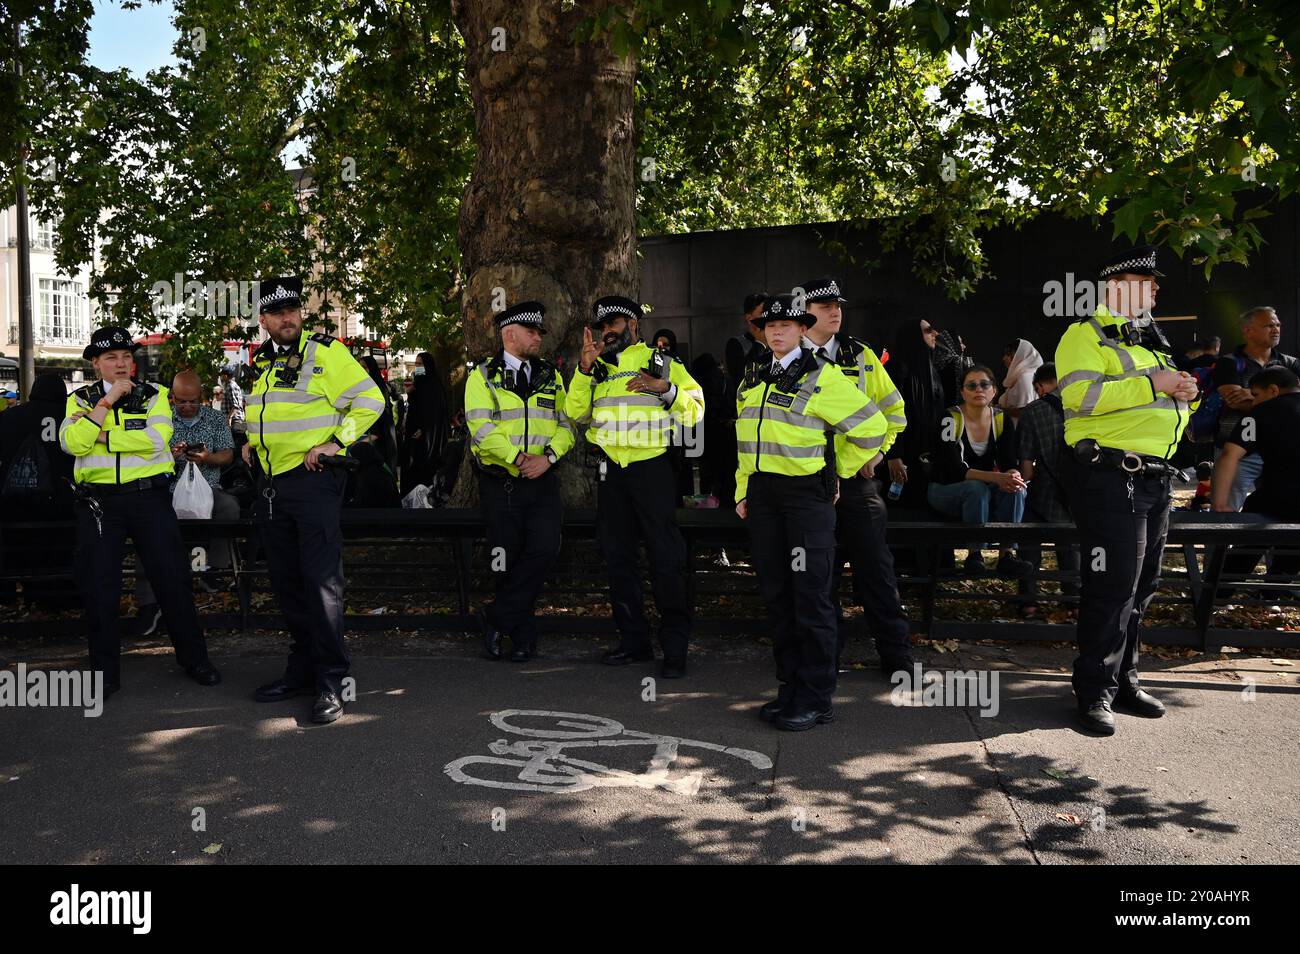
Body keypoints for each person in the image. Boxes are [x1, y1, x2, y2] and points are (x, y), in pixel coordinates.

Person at [1056, 244, 1199, 736]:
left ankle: (1122, 681)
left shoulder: (1148, 339)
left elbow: (1162, 408)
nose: (1156, 288)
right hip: (1113, 476)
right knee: (1113, 586)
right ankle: (1093, 690)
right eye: (1146, 280)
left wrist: (1184, 393)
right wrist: (1154, 384)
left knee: (1142, 587)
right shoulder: (1084, 333)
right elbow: (1080, 397)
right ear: (1117, 287)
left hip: (1156, 477)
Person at [735, 293, 887, 731]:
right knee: (778, 596)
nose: (777, 331)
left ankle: (817, 697)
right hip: (763, 497)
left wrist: (835, 470)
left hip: (805, 498)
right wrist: (744, 490)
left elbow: (872, 428)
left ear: (803, 329)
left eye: (786, 325)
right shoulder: (756, 376)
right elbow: (747, 441)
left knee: (812, 598)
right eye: (769, 325)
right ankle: (791, 688)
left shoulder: (824, 376)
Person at [241, 276, 384, 724]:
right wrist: (253, 445)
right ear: (263, 319)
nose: (287, 318)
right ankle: (302, 670)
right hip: (271, 485)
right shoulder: (261, 361)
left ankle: (331, 681)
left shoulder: (327, 353)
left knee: (323, 585)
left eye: (293, 310)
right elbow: (275, 416)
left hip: (312, 483)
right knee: (288, 585)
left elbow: (370, 401)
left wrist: (335, 445)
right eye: (277, 312)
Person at [57, 326, 221, 696]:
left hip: (148, 499)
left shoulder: (154, 395)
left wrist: (100, 432)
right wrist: (106, 402)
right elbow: (72, 444)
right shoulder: (79, 399)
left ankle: (195, 659)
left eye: (126, 357)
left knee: (173, 581)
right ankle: (105, 674)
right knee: (101, 588)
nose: (121, 364)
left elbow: (155, 441)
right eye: (111, 358)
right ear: (96, 363)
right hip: (99, 503)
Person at [566, 294, 704, 678]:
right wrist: (582, 369)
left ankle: (675, 647)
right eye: (602, 326)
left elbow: (696, 409)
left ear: (634, 325)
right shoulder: (595, 369)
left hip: (652, 471)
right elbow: (575, 413)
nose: (607, 331)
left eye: (615, 323)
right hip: (612, 474)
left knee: (665, 559)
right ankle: (634, 641)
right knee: (617, 558)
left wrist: (665, 389)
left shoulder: (662, 362)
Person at [798, 275, 914, 675]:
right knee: (818, 576)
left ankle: (897, 656)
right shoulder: (784, 360)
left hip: (856, 482)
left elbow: (894, 411)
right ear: (803, 312)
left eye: (838, 305)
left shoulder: (861, 355)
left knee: (877, 572)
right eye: (824, 305)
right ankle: (823, 659)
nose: (835, 311)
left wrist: (880, 453)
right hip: (809, 486)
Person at [466, 301, 576, 661]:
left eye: (539, 332)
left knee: (545, 550)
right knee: (505, 560)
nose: (538, 338)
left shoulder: (551, 375)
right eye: (532, 332)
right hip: (502, 484)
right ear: (509, 334)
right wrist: (515, 458)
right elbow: (480, 428)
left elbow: (568, 426)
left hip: (542, 480)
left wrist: (548, 458)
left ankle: (495, 618)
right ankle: (521, 633)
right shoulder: (482, 376)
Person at [135, 371, 240, 634]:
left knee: (228, 507)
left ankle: (213, 570)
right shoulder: (161, 420)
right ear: (172, 399)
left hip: (208, 489)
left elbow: (228, 454)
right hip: (167, 491)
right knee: (143, 522)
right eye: (181, 401)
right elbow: (146, 455)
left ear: (201, 398)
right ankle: (149, 603)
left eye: (192, 401)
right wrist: (170, 456)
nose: (187, 406)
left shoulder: (215, 418)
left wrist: (207, 458)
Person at [927, 365, 1034, 578]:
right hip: (944, 490)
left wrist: (1012, 475)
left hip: (983, 490)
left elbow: (1007, 461)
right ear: (963, 392)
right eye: (972, 385)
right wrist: (997, 477)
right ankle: (975, 555)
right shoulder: (950, 418)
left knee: (1016, 489)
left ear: (994, 390)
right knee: (976, 489)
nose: (979, 389)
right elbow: (954, 470)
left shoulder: (1001, 419)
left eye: (985, 384)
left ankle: (1007, 556)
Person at [1212, 367, 1300, 582]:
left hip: (1278, 496)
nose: (1254, 401)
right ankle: (1274, 589)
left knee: (1254, 530)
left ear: (1273, 390)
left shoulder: (1260, 413)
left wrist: (1220, 503)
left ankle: (1223, 588)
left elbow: (1230, 455)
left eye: (1256, 395)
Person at [1210, 307, 1300, 510]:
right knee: (1226, 516)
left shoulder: (1291, 362)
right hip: (1239, 449)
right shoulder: (1229, 362)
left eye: (1277, 325)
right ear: (1248, 331)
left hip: (1279, 451)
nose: (1276, 329)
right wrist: (1280, 402)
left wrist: (1249, 394)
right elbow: (1233, 400)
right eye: (1269, 325)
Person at [0, 373, 76, 607]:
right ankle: (56, 601)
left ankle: (15, 598)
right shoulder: (72, 419)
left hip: (15, 500)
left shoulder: (10, 417)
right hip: (63, 499)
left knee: (18, 550)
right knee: (60, 552)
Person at [1016, 363, 1080, 612]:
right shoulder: (1084, 406)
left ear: (1040, 387)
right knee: (1071, 545)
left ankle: (1028, 602)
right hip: (1080, 493)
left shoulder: (1033, 411)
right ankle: (1074, 601)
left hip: (1044, 491)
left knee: (1030, 541)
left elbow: (1026, 469)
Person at [884, 318, 945, 508]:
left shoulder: (931, 369)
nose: (935, 334)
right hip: (903, 452)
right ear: (913, 336)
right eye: (928, 331)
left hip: (926, 454)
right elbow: (888, 413)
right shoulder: (896, 368)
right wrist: (893, 455)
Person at [400, 352, 450, 495]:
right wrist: (410, 392)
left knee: (422, 469)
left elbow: (434, 412)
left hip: (427, 437)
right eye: (416, 364)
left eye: (420, 364)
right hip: (412, 433)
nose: (417, 367)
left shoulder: (433, 385)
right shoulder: (418, 383)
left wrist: (424, 429)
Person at [724, 292, 770, 386]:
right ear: (749, 318)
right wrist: (760, 343)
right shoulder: (736, 344)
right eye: (764, 313)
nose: (768, 317)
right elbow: (741, 379)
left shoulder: (777, 341)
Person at [998, 338, 1044, 420]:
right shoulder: (1021, 377)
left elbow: (1026, 412)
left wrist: (998, 409)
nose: (1004, 358)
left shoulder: (1026, 377)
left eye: (1008, 354)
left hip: (1022, 431)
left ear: (1020, 356)